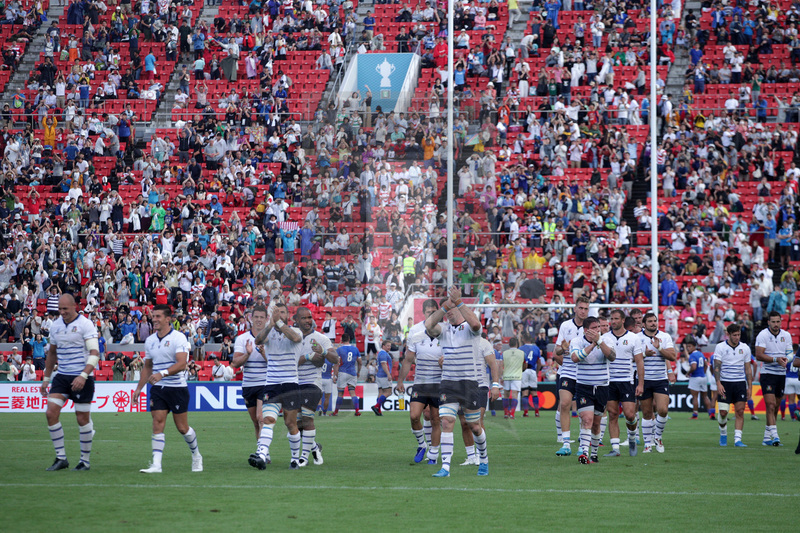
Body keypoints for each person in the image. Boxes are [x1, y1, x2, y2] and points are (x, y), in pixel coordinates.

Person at [425, 286, 500, 477]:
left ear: (459, 308)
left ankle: (484, 459)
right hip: (448, 382)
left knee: (474, 426)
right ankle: (446, 467)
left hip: (469, 383)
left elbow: (475, 324)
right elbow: (428, 325)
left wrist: (458, 302)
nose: (449, 312)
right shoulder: (444, 330)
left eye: (452, 308)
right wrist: (444, 306)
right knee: (447, 422)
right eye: (447, 309)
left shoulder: (470, 330)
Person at [134, 305, 202, 473]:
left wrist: (162, 374)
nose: (154, 319)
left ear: (168, 319)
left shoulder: (179, 338)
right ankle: (156, 465)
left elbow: (182, 364)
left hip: (177, 388)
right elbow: (147, 367)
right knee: (157, 422)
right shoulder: (150, 340)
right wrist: (139, 388)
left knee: (182, 428)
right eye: (153, 316)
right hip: (158, 388)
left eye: (158, 316)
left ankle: (196, 455)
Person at [40, 294, 100, 471]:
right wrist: (46, 379)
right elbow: (52, 353)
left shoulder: (85, 324)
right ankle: (61, 458)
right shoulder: (55, 326)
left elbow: (94, 353)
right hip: (62, 376)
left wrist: (83, 375)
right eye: (60, 309)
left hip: (83, 376)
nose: (62, 312)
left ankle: (84, 461)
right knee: (51, 413)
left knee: (82, 419)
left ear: (75, 306)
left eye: (65, 308)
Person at [250, 303, 303, 469]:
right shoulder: (269, 332)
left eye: (282, 312)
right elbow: (257, 340)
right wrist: (271, 324)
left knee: (290, 423)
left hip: (290, 384)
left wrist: (278, 322)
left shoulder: (296, 331)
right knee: (268, 420)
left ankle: (295, 458)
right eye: (276, 312)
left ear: (287, 315)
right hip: (272, 383)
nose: (279, 315)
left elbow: (295, 338)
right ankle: (261, 455)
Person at [397, 298, 442, 464]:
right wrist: (400, 381)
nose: (431, 314)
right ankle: (422, 445)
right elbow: (408, 359)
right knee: (414, 416)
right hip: (420, 382)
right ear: (423, 313)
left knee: (435, 419)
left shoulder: (445, 331)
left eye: (434, 312)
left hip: (439, 383)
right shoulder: (415, 331)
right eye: (428, 312)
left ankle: (433, 455)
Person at [294, 306, 338, 467]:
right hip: (293, 383)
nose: (308, 321)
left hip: (312, 382)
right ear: (296, 320)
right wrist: (308, 356)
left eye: (309, 317)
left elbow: (336, 359)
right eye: (304, 318)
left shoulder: (321, 338)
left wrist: (323, 352)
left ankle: (303, 458)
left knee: (307, 418)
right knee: (295, 424)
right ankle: (314, 447)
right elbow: (290, 363)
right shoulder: (291, 337)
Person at [571, 316, 616, 464]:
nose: (598, 330)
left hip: (602, 386)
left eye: (599, 327)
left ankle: (594, 454)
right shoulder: (577, 341)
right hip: (584, 386)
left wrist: (600, 342)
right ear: (586, 330)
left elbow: (612, 357)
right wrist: (592, 345)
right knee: (587, 419)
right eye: (594, 328)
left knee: (596, 424)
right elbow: (575, 358)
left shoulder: (606, 340)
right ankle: (584, 452)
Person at [230, 305, 269, 463]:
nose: (259, 320)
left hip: (265, 383)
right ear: (251, 318)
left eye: (262, 317)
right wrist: (248, 353)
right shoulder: (242, 338)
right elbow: (235, 363)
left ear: (266, 319)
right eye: (256, 317)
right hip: (248, 384)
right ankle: (263, 450)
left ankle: (262, 453)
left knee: (261, 418)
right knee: (255, 421)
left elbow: (275, 363)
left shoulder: (270, 338)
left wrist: (264, 353)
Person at [635, 312, 677, 453]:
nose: (653, 323)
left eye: (655, 321)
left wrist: (659, 348)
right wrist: (644, 354)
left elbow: (672, 356)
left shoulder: (665, 337)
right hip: (644, 379)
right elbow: (631, 358)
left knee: (663, 410)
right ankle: (648, 444)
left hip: (660, 379)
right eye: (650, 321)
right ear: (644, 324)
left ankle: (658, 437)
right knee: (647, 413)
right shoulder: (637, 338)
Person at [603, 312, 643, 457]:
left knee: (630, 415)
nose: (613, 321)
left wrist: (641, 384)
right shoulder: (605, 338)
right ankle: (615, 448)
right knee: (613, 414)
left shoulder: (633, 338)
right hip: (609, 381)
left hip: (627, 381)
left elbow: (639, 361)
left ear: (623, 320)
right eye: (611, 319)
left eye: (616, 319)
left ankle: (632, 437)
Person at [554, 296, 590, 456]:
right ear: (575, 309)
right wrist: (563, 349)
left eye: (586, 309)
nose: (583, 311)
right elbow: (557, 351)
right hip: (568, 371)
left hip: (584, 372)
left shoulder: (590, 327)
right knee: (564, 404)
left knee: (584, 410)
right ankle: (566, 443)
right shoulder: (566, 325)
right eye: (580, 308)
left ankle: (583, 444)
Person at [754, 311, 793, 446]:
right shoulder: (763, 335)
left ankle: (766, 437)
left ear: (781, 322)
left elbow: (790, 353)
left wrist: (787, 360)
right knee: (770, 405)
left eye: (778, 322)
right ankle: (775, 436)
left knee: (775, 406)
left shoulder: (786, 335)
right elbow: (759, 355)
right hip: (768, 374)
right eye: (773, 322)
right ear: (768, 322)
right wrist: (776, 359)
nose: (776, 324)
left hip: (781, 375)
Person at [713, 324, 753, 447]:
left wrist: (750, 387)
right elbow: (717, 367)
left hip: (740, 383)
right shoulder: (720, 347)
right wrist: (718, 383)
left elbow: (748, 369)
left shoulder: (745, 348)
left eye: (738, 335)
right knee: (723, 412)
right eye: (734, 335)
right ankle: (723, 432)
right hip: (725, 383)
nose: (737, 337)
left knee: (740, 411)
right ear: (728, 335)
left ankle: (737, 440)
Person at [333, 332, 362, 416]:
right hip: (352, 373)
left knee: (340, 393)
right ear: (349, 339)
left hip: (343, 372)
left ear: (342, 340)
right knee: (352, 392)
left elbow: (336, 363)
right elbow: (360, 362)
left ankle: (336, 412)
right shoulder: (355, 349)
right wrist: (358, 372)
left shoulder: (339, 349)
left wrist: (335, 375)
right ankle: (357, 411)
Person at [685, 337, 711, 419]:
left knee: (695, 397)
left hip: (695, 378)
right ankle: (711, 414)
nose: (688, 348)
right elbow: (706, 364)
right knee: (705, 397)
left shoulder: (692, 355)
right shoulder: (700, 354)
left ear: (694, 346)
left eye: (689, 346)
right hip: (703, 377)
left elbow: (693, 367)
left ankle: (695, 415)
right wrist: (703, 372)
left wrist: (688, 373)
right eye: (687, 347)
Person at [520, 334, 544, 417]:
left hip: (524, 371)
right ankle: (536, 412)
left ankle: (526, 412)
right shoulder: (536, 348)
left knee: (525, 392)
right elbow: (539, 362)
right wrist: (537, 372)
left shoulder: (521, 348)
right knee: (534, 393)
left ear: (524, 339)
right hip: (533, 371)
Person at [500, 338, 524, 419]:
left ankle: (506, 413)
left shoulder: (504, 353)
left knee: (506, 395)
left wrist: (501, 376)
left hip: (506, 376)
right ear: (517, 344)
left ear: (509, 344)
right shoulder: (522, 353)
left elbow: (501, 365)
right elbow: (525, 364)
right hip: (517, 376)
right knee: (514, 395)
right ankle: (512, 414)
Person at [371, 340, 394, 416]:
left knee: (381, 393)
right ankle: (376, 406)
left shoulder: (380, 353)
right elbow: (384, 364)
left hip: (379, 375)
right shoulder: (383, 353)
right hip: (384, 376)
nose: (389, 347)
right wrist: (388, 374)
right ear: (383, 346)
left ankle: (378, 411)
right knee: (388, 392)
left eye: (390, 346)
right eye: (387, 346)